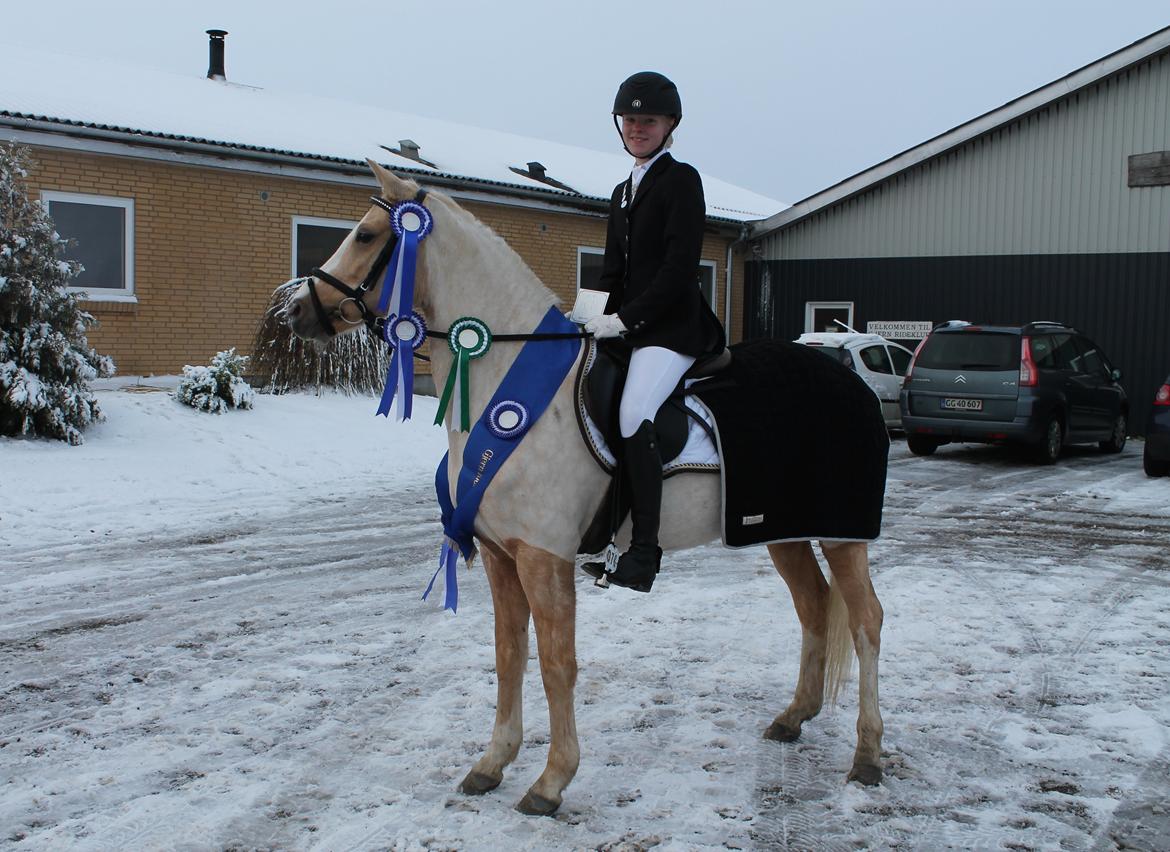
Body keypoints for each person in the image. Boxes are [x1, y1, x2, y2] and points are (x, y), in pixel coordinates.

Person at [582, 71, 726, 593]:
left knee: (634, 410)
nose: (637, 127)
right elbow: (613, 272)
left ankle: (643, 552)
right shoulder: (623, 191)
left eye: (648, 120)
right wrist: (589, 315)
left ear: (669, 125)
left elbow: (677, 269)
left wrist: (625, 320)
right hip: (628, 327)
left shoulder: (681, 180)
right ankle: (597, 534)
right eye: (630, 119)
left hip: (671, 329)